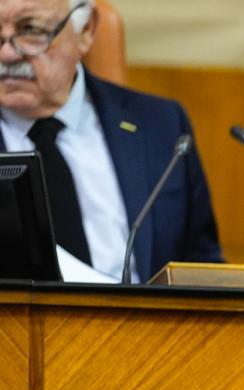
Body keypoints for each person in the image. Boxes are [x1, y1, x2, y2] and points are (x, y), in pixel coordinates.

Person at [0, 0, 221, 282]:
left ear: (86, 30)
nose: (7, 53)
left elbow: (203, 266)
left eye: (30, 30)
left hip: (146, 311)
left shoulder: (161, 125)